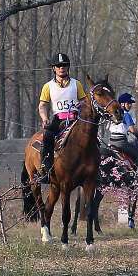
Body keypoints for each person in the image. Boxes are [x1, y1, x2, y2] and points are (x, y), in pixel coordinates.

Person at [37, 53, 87, 183]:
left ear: (68, 67)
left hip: (76, 119)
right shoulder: (48, 86)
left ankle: (96, 169)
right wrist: (44, 118)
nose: (61, 68)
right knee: (47, 136)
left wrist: (80, 104)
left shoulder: (77, 84)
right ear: (54, 68)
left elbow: (84, 101)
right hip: (58, 120)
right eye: (58, 66)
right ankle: (46, 169)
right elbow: (42, 106)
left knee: (92, 137)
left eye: (64, 65)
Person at [107, 92, 138, 164]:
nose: (130, 105)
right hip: (121, 143)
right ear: (122, 104)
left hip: (111, 142)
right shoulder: (126, 115)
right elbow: (133, 130)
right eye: (128, 103)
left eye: (131, 104)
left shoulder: (112, 114)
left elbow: (108, 128)